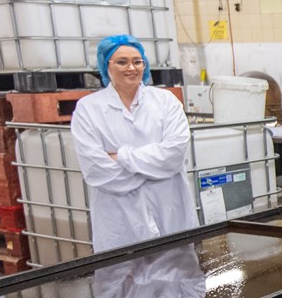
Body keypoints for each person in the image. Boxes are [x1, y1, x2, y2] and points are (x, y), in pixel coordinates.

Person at [71, 35, 198, 252]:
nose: (131, 68)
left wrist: (121, 157)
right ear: (106, 66)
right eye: (122, 62)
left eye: (137, 61)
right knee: (123, 277)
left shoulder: (166, 102)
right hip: (119, 220)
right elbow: (96, 170)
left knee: (177, 275)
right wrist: (153, 167)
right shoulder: (88, 109)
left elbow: (174, 155)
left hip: (169, 209)